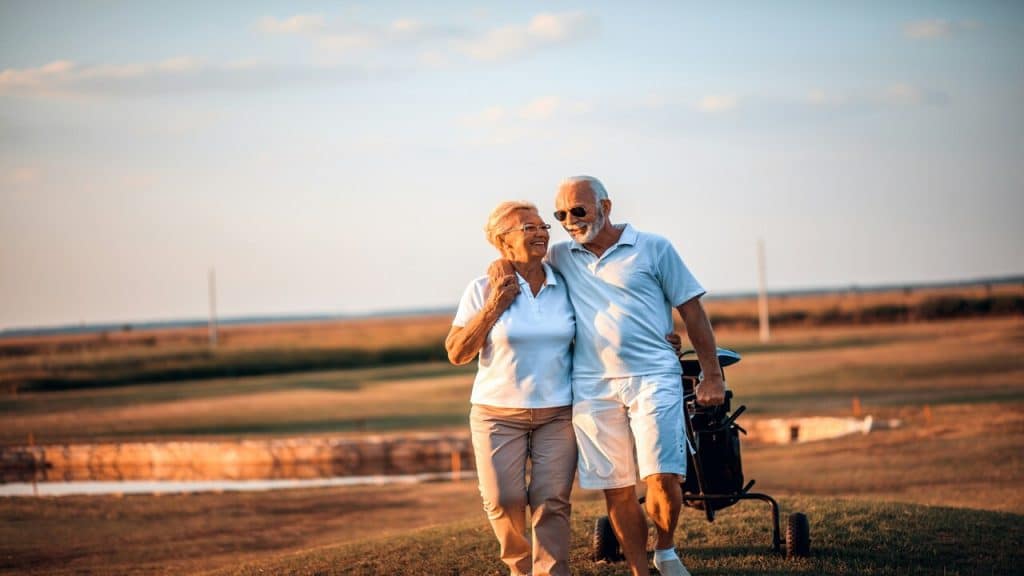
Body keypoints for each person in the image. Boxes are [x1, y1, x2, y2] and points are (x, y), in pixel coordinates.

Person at [544, 175, 725, 576]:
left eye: (578, 210)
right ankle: (641, 571)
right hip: (592, 386)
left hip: (654, 376)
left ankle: (666, 549)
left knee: (662, 475)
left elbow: (692, 311)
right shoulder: (559, 257)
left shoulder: (654, 247)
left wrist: (712, 375)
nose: (570, 220)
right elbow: (521, 261)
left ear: (606, 207)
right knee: (618, 487)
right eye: (560, 214)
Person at [445, 201, 578, 576]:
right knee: (503, 499)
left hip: (558, 412)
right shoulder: (482, 287)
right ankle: (520, 569)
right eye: (528, 228)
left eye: (543, 227)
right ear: (503, 242)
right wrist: (496, 304)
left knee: (552, 500)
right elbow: (457, 352)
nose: (540, 233)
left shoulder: (564, 282)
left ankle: (552, 572)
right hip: (496, 413)